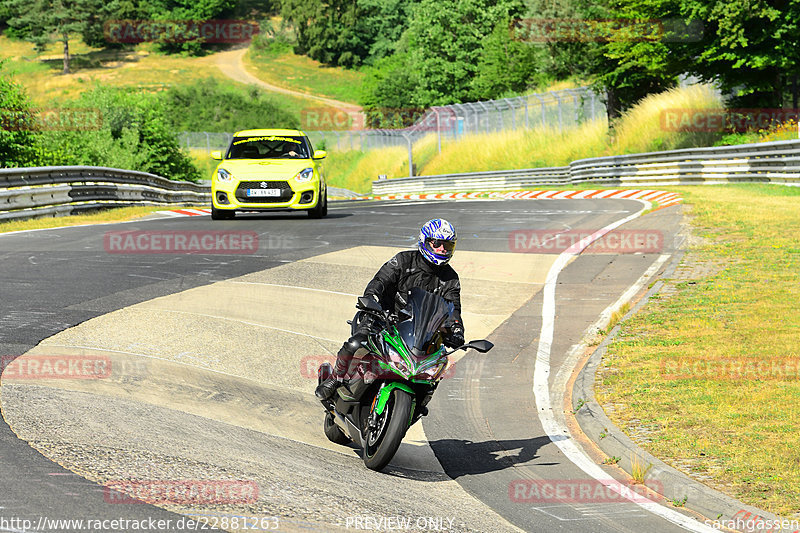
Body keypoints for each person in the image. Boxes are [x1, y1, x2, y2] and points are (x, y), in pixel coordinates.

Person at [315, 218, 465, 400]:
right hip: (384, 318)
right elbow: (380, 281)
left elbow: (453, 307)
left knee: (436, 364)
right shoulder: (403, 260)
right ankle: (335, 379)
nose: (442, 249)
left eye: (447, 245)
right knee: (357, 342)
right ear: (425, 241)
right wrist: (372, 299)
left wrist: (456, 329)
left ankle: (420, 400)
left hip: (418, 332)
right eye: (437, 244)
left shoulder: (450, 278)